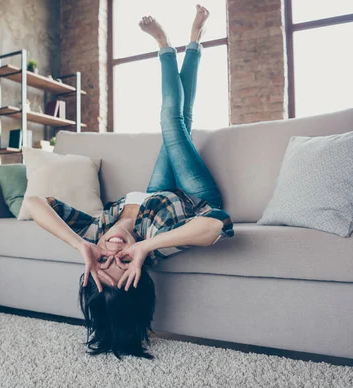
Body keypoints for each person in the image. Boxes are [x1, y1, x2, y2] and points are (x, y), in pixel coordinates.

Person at [24, 4, 234, 360]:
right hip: (194, 192)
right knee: (171, 118)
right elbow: (219, 223)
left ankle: (195, 40)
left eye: (103, 263)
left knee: (181, 117)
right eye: (123, 264)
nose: (114, 253)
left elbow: (33, 203)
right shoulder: (156, 245)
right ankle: (166, 45)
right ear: (138, 271)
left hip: (155, 190)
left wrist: (80, 247)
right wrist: (144, 249)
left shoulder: (93, 237)